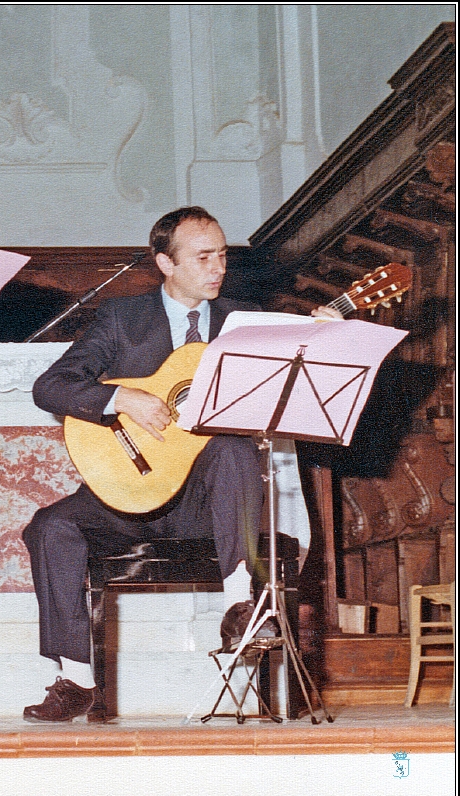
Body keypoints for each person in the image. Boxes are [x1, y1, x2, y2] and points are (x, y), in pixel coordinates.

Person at [20, 206, 341, 722]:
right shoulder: (123, 319)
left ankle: (239, 605)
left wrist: (327, 339)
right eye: (203, 257)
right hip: (132, 492)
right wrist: (122, 396)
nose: (218, 268)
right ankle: (76, 677)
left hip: (212, 500)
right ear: (165, 263)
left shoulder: (246, 323)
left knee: (234, 447)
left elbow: (299, 387)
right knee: (50, 527)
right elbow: (49, 387)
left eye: (222, 256)